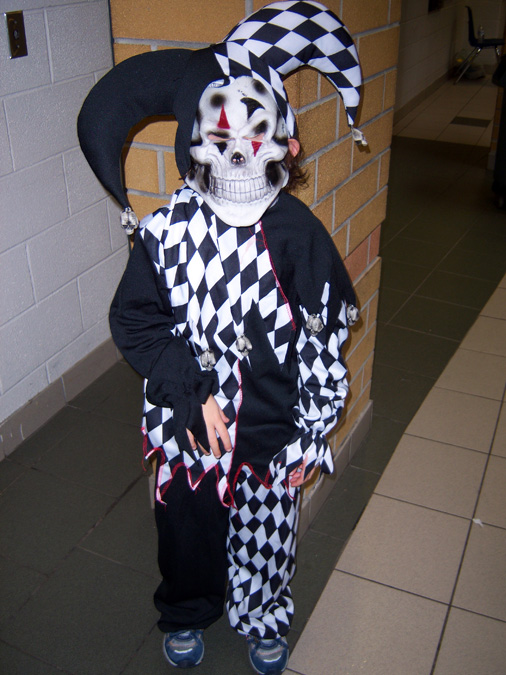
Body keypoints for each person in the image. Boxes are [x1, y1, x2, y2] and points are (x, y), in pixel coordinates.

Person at [78, 3, 366, 672]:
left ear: (287, 145)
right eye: (222, 137)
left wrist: (313, 428)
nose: (241, 154)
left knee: (267, 532)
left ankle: (262, 611)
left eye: (259, 136)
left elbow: (321, 339)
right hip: (188, 422)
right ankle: (187, 608)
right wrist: (191, 387)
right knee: (187, 529)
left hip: (270, 422)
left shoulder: (298, 235)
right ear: (194, 144)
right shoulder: (167, 232)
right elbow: (136, 320)